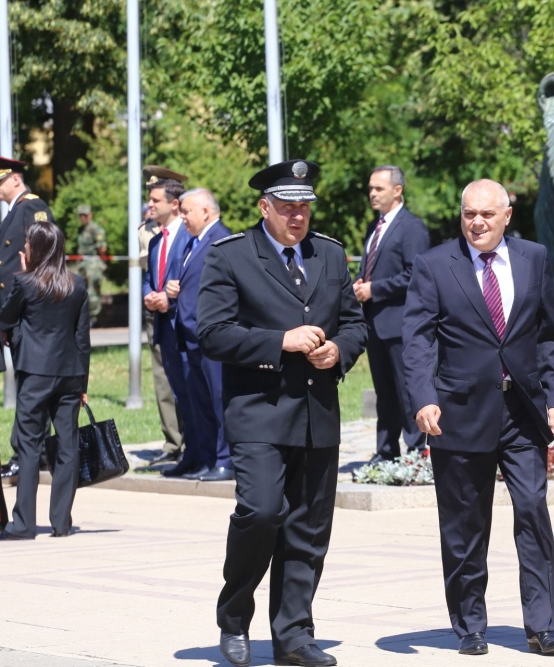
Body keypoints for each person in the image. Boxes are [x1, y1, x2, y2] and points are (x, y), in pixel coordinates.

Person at [197, 160, 367, 667]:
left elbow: (356, 323)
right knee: (262, 511)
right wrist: (280, 342)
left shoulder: (331, 255)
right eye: (288, 207)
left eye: (305, 207)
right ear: (264, 207)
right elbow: (212, 333)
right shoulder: (230, 256)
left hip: (317, 412)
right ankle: (234, 617)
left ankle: (294, 633)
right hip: (258, 412)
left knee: (309, 528)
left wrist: (338, 350)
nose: (298, 216)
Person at [402, 179, 554, 655]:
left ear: (507, 216)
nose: (476, 222)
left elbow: (548, 336)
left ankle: (542, 625)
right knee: (464, 525)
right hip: (458, 412)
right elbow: (417, 340)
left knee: (533, 512)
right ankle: (470, 624)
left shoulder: (533, 258)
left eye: (486, 215)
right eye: (469, 214)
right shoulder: (434, 265)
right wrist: (423, 397)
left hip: (522, 412)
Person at [0, 221, 89, 541]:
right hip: (70, 374)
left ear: (35, 250)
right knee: (67, 446)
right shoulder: (77, 285)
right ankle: (61, 523)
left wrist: (23, 272)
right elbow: (82, 338)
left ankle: (24, 524)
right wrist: (84, 384)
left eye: (26, 244)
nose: (23, 248)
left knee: (28, 444)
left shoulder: (24, 282)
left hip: (35, 373)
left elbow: (5, 317)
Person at [353, 165, 430, 463]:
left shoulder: (412, 227)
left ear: (397, 190)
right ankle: (386, 451)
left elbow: (416, 274)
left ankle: (417, 451)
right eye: (371, 188)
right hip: (375, 323)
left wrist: (376, 289)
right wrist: (362, 283)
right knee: (384, 393)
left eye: (379, 188)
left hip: (401, 323)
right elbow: (374, 266)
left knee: (406, 389)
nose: (372, 193)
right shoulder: (376, 227)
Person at [165, 188, 232, 481]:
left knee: (220, 402)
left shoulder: (222, 240)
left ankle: (226, 461)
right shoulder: (194, 241)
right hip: (190, 336)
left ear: (205, 212)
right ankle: (206, 458)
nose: (182, 217)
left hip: (212, 338)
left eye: (186, 212)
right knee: (201, 404)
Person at [0, 156, 55, 487]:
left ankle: (28, 454)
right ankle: (32, 452)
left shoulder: (33, 207)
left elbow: (42, 258)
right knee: (26, 385)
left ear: (15, 179)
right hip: (14, 312)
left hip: (28, 311)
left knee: (31, 387)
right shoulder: (13, 212)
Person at [143, 175, 198, 478]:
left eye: (155, 200)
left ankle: (197, 447)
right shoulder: (155, 240)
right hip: (162, 324)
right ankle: (185, 449)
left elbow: (193, 280)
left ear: (174, 204)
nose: (149, 205)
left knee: (191, 391)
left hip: (183, 325)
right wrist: (149, 294)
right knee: (174, 388)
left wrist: (169, 299)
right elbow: (149, 277)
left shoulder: (189, 238)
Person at [75, 204, 107, 325]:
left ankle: (93, 317)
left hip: (93, 262)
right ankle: (84, 316)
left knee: (92, 290)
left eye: (85, 215)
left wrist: (102, 262)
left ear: (90, 215)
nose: (83, 218)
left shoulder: (95, 229)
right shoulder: (80, 230)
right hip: (82, 263)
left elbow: (102, 248)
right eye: (81, 215)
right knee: (81, 290)